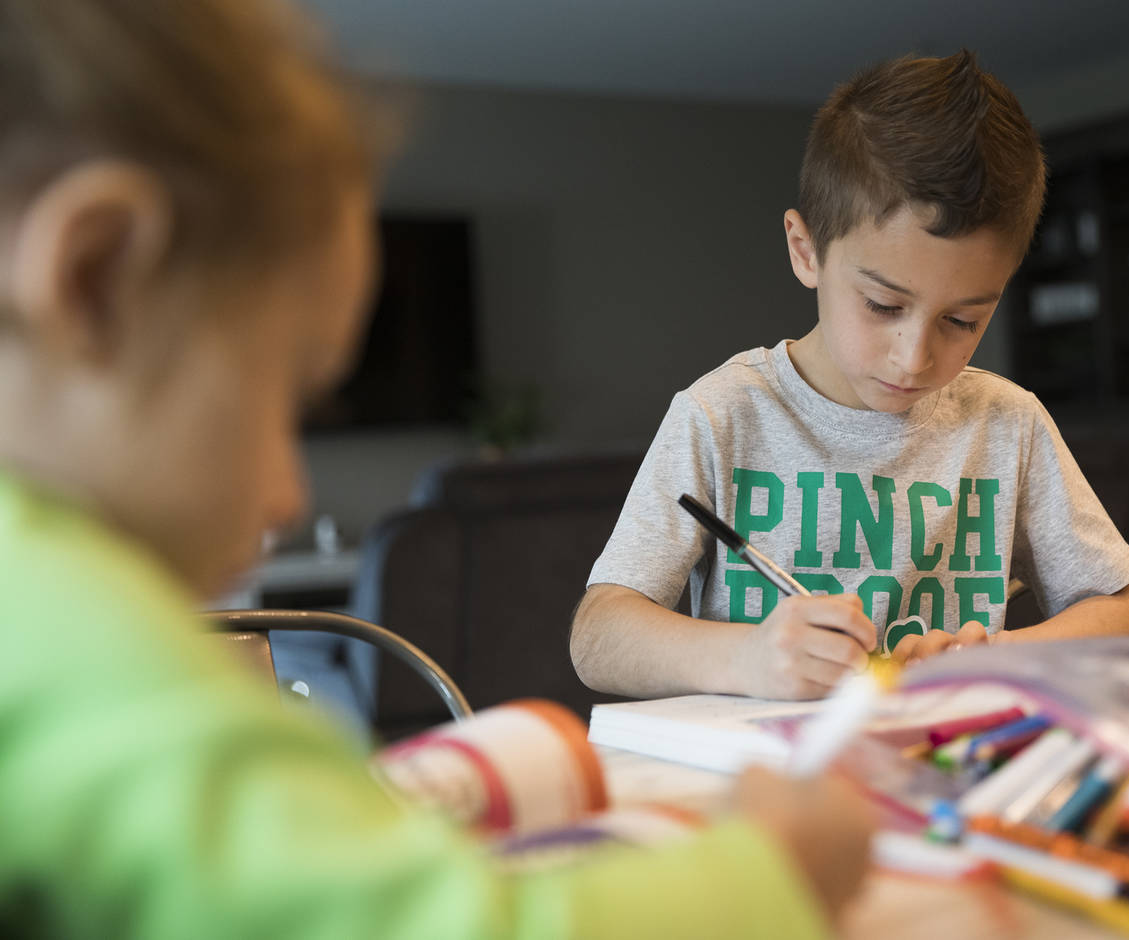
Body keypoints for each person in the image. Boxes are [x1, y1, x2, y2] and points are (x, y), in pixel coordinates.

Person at [0, 1, 875, 937]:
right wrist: (768, 877)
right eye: (282, 395)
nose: (285, 492)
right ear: (96, 276)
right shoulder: (73, 642)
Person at [570, 51, 1129, 702]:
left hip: (942, 772)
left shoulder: (1005, 424)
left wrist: (997, 657)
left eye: (962, 321)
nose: (914, 358)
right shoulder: (722, 415)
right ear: (806, 251)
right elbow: (597, 636)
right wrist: (746, 659)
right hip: (766, 783)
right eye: (883, 306)